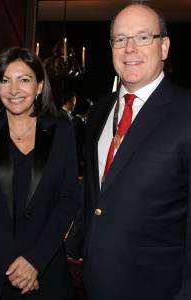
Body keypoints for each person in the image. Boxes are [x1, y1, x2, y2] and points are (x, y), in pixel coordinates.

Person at [83, 2, 191, 300]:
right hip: (95, 283)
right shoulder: (100, 110)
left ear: (164, 47)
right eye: (120, 39)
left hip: (159, 288)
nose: (130, 48)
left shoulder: (186, 111)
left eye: (143, 37)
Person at [0, 46, 80, 300]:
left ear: (40, 86)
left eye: (24, 80)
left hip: (44, 269)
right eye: (5, 80)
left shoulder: (62, 131)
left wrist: (34, 261)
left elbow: (68, 200)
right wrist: (13, 261)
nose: (13, 90)